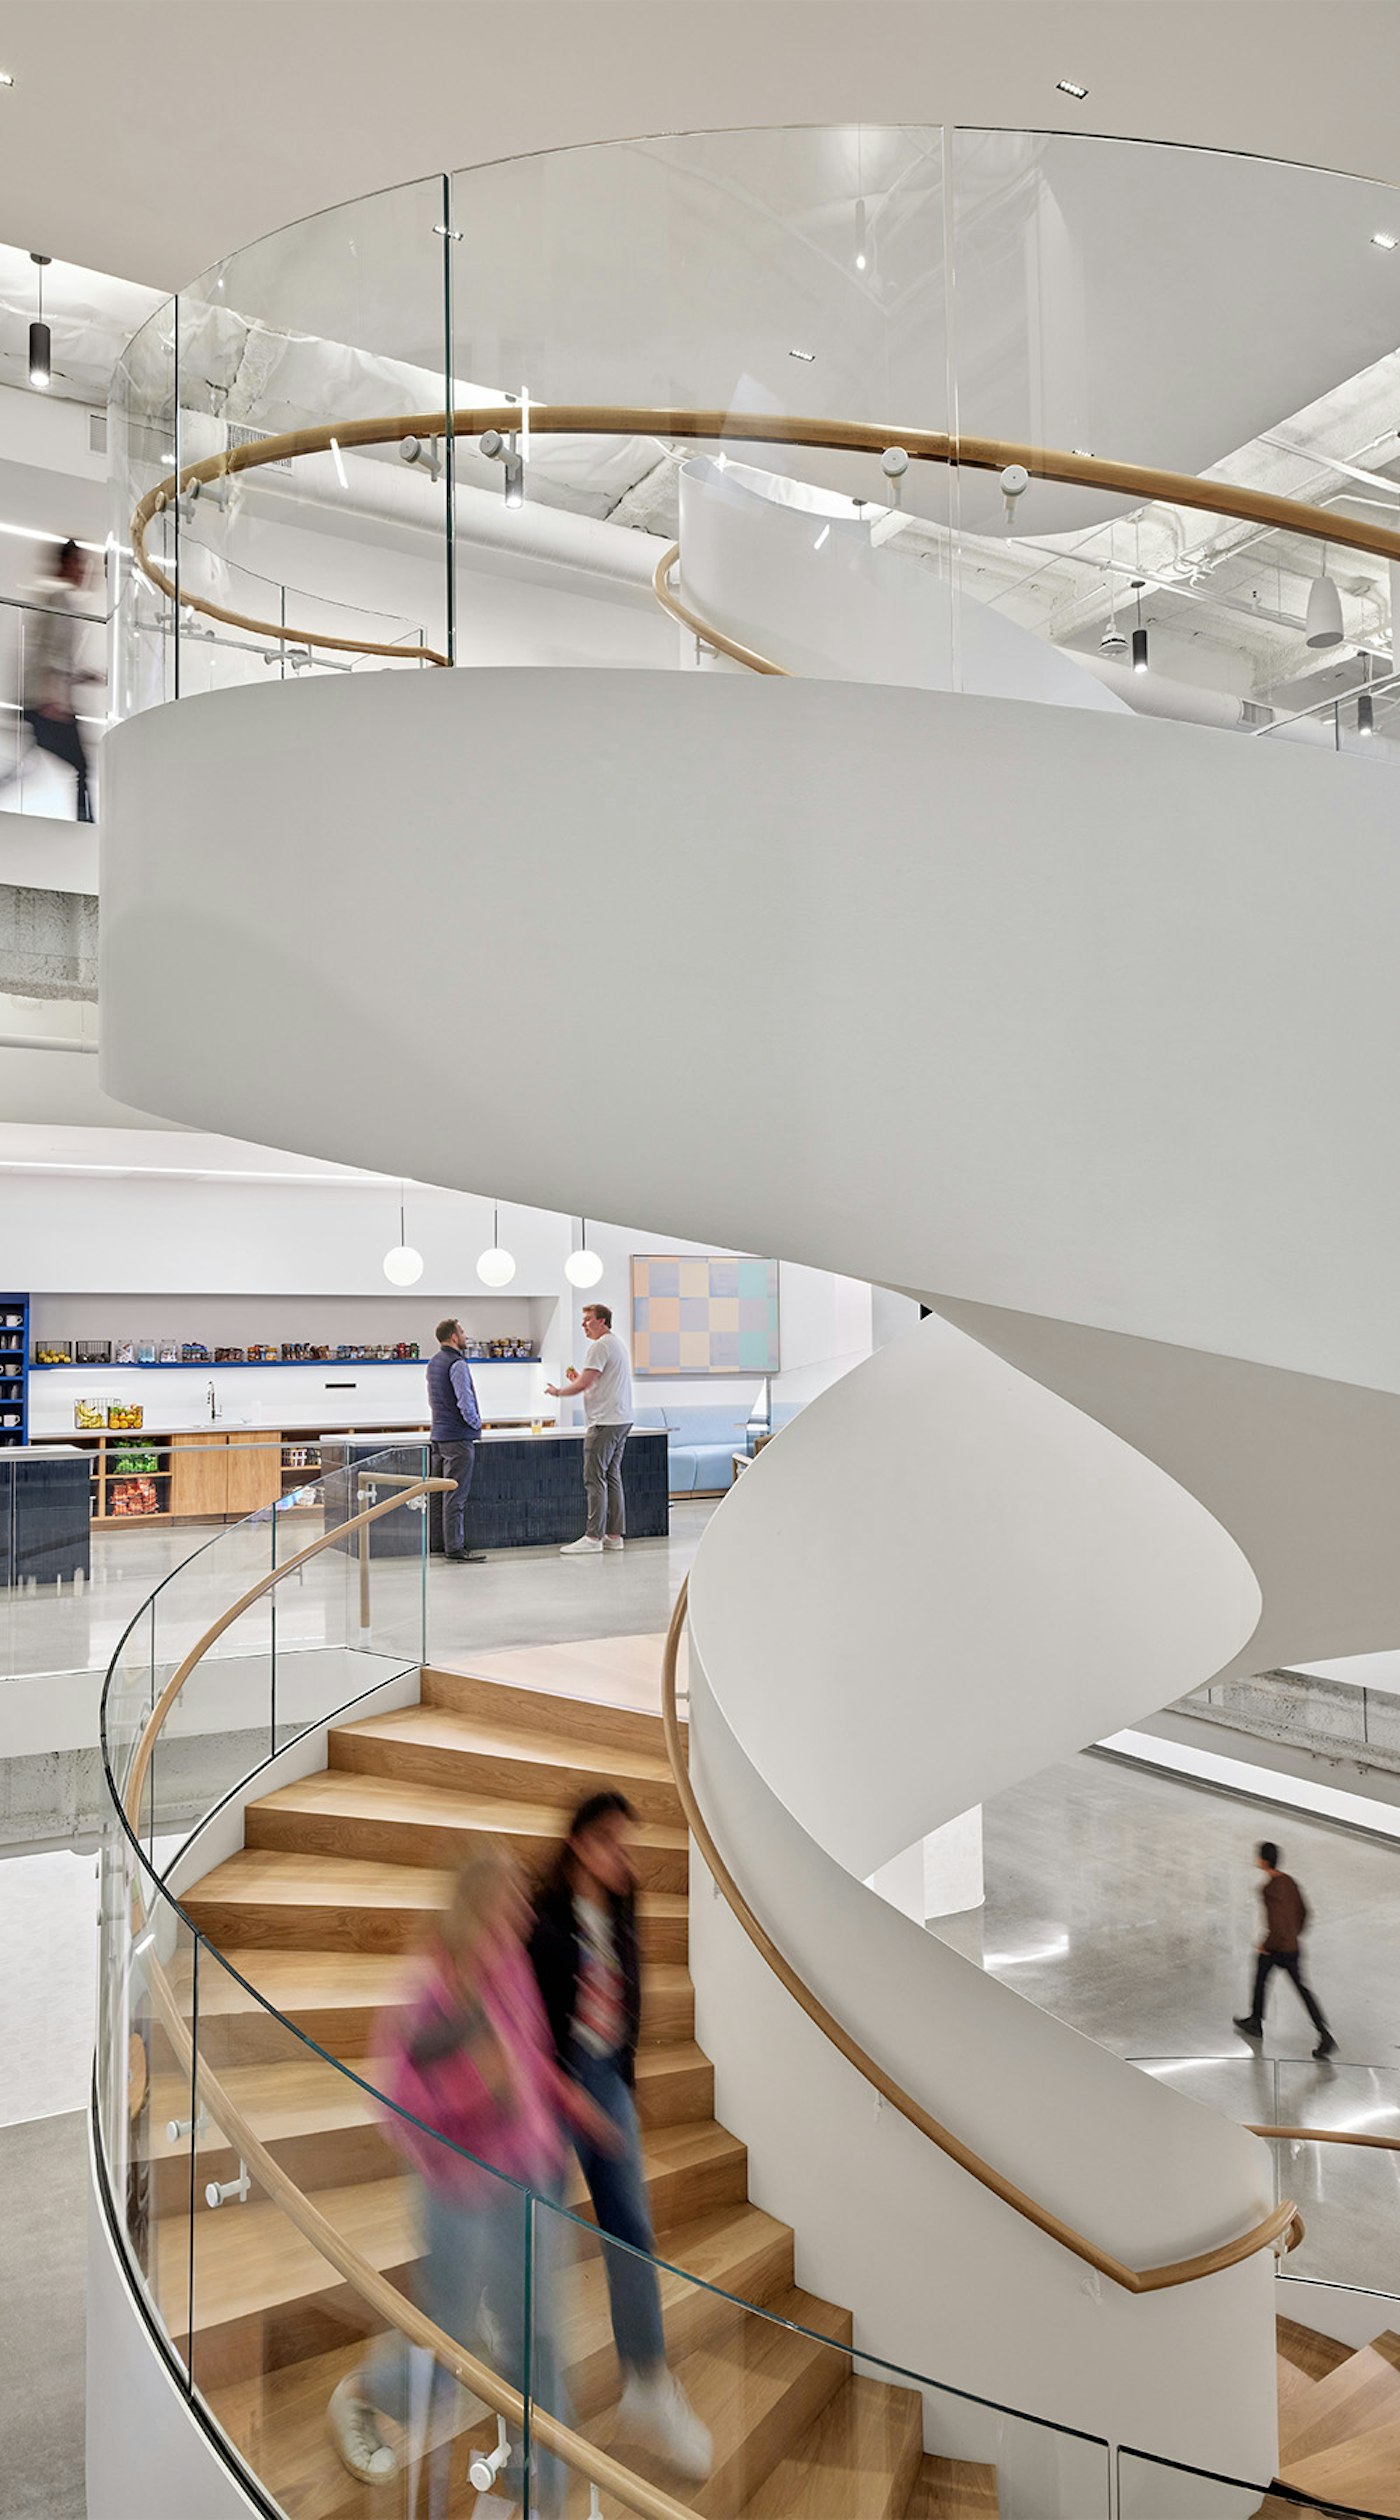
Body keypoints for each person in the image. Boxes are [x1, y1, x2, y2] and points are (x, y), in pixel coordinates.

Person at [329, 1847, 612, 2510]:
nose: (523, 1912)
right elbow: (397, 2100)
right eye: (511, 1900)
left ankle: (539, 2492)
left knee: (539, 2338)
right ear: (480, 1902)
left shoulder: (511, 1964)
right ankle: (365, 2394)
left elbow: (530, 2056)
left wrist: (569, 2104)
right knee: (447, 2337)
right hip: (460, 2191)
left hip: (533, 2177)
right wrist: (474, 2087)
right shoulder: (433, 1986)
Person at [529, 1791, 713, 2483]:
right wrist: (567, 2093)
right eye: (612, 1842)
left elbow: (630, 1995)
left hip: (603, 2073)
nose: (624, 1857)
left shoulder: (624, 1902)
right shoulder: (543, 1922)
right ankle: (538, 2410)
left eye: (627, 1843)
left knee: (630, 2228)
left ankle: (647, 2387)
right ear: (579, 1843)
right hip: (550, 2080)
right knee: (536, 2234)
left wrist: (618, 2081)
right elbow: (526, 2029)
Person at [0, 540, 98, 821]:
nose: (84, 571)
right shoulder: (61, 597)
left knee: (31, 762)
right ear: (67, 564)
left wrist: (81, 676)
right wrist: (53, 699)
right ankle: (86, 824)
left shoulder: (51, 596)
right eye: (80, 564)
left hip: (40, 698)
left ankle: (85, 822)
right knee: (80, 765)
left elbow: (46, 652)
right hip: (47, 702)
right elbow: (52, 652)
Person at [545, 1301, 633, 1557]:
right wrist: (580, 1381)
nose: (584, 1325)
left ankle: (593, 1537)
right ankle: (614, 1536)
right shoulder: (615, 1343)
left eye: (588, 1320)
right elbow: (595, 1382)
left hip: (604, 1421)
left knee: (594, 1479)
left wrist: (558, 1391)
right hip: (621, 1419)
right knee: (612, 1477)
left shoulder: (600, 1346)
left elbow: (585, 1383)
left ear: (602, 1321)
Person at [1233, 1840, 1336, 2060]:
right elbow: (1305, 1912)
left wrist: (1267, 1945)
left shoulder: (1269, 1889)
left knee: (1261, 1977)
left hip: (1278, 1948)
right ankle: (1324, 2033)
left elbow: (1276, 1923)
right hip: (1293, 1947)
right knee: (1301, 1990)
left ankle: (1256, 2021)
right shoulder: (1290, 1882)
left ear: (1263, 1860)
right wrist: (1294, 1935)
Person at [427, 1316, 484, 1564]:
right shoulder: (457, 1364)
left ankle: (438, 1544)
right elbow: (465, 1401)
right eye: (462, 1331)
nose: (465, 1336)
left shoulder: (434, 1363)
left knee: (438, 1495)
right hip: (458, 1438)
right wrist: (476, 1424)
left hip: (438, 1437)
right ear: (453, 1336)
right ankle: (455, 1547)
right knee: (456, 1496)